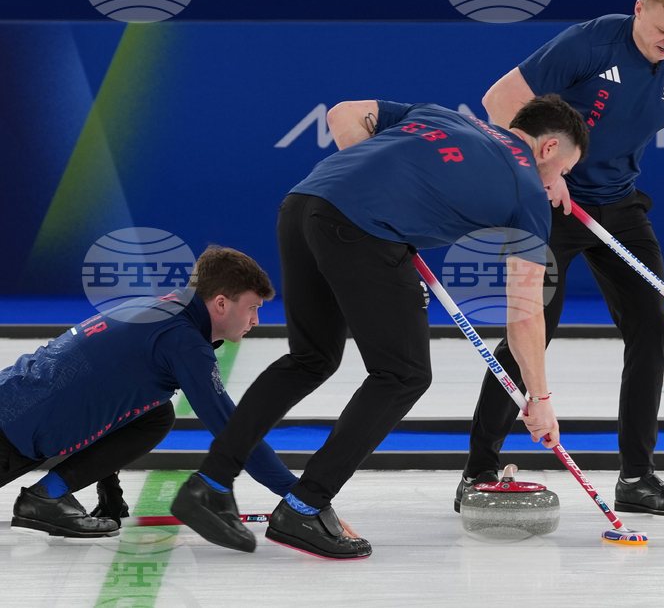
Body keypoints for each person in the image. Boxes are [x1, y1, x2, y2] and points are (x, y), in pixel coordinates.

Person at [170, 94, 589, 560]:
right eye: (565, 173)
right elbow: (526, 311)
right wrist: (541, 399)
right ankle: (304, 506)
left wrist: (374, 191)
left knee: (310, 358)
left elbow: (343, 114)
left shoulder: (443, 116)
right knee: (403, 373)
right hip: (361, 230)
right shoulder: (528, 191)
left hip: (306, 202)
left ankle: (209, 484)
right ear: (548, 148)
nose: (558, 186)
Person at [459, 0, 664, 517]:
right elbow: (499, 101)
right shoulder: (591, 43)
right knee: (531, 332)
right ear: (640, 8)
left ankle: (637, 476)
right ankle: (478, 471)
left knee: (651, 326)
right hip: (547, 202)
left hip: (618, 207)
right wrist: (544, 174)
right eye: (661, 31)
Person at [0, 246, 299, 537]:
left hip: (15, 413)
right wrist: (300, 496)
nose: (256, 320)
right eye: (252, 308)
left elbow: (112, 389)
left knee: (155, 414)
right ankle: (44, 497)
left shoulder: (156, 307)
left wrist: (110, 490)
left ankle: (50, 493)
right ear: (221, 303)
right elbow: (234, 433)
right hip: (11, 433)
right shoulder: (183, 341)